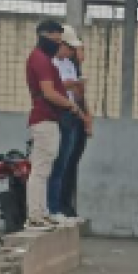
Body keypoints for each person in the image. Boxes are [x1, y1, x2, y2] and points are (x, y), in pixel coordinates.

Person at [25, 20, 81, 229]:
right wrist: (70, 105)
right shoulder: (41, 60)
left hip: (48, 118)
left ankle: (41, 211)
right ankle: (36, 213)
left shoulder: (43, 59)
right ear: (42, 35)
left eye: (59, 40)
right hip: (44, 118)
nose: (57, 43)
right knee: (41, 168)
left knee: (45, 167)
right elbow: (49, 92)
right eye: (54, 39)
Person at [49, 26, 92, 220]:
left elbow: (76, 93)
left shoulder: (69, 64)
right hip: (60, 114)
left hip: (73, 113)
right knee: (59, 165)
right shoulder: (51, 62)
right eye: (72, 48)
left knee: (69, 163)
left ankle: (64, 206)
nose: (74, 52)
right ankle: (54, 207)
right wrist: (74, 85)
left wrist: (85, 116)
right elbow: (54, 86)